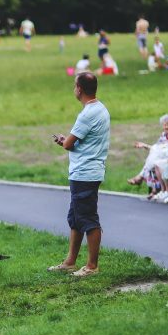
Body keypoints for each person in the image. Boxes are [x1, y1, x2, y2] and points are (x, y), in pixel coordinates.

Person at [49, 72, 110, 277]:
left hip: (85, 172)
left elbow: (68, 144)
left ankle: (92, 266)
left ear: (80, 89)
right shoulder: (101, 109)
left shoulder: (87, 114)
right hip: (88, 170)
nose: (74, 89)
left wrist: (63, 141)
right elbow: (82, 140)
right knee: (76, 217)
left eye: (75, 86)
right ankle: (70, 261)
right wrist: (69, 141)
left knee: (88, 218)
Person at [128, 114, 168, 199]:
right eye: (164, 125)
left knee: (152, 162)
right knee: (153, 161)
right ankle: (154, 189)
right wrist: (144, 145)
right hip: (163, 156)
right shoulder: (164, 134)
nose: (166, 127)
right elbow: (157, 147)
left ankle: (145, 181)